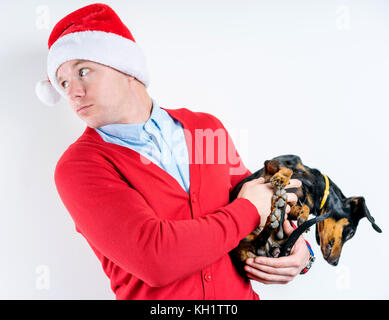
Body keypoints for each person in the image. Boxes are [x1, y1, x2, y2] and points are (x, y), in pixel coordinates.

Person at [36, 3, 312, 300]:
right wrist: (248, 210)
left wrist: (299, 250)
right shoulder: (80, 166)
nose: (73, 92)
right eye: (63, 83)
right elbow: (156, 258)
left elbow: (261, 206)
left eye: (84, 71)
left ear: (126, 68)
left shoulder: (205, 128)